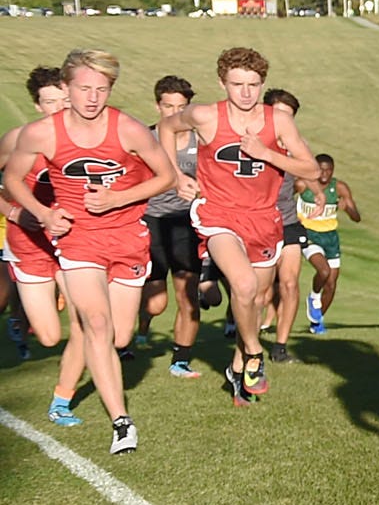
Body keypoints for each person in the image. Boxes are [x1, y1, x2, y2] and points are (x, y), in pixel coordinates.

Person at [2, 49, 177, 454]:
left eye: (102, 89)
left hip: (127, 237)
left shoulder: (128, 129)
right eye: (84, 88)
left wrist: (119, 198)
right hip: (78, 239)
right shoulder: (41, 134)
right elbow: (11, 179)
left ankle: (100, 381)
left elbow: (167, 176)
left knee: (119, 334)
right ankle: (121, 422)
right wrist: (43, 213)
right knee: (96, 323)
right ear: (66, 88)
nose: (92, 98)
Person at [164, 47, 321, 405]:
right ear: (223, 83)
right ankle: (254, 352)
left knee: (254, 299)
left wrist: (267, 153)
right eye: (237, 84)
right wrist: (175, 176)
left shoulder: (278, 121)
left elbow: (311, 169)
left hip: (264, 218)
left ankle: (239, 368)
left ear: (262, 83)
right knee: (244, 284)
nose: (246, 92)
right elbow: (167, 127)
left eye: (253, 84)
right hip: (218, 214)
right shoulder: (205, 115)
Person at [4, 65, 92, 419]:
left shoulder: (87, 138)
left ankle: (61, 400)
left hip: (73, 243)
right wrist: (14, 213)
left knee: (85, 322)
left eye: (64, 100)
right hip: (28, 242)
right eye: (50, 102)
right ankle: (24, 314)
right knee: (49, 337)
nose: (59, 107)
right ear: (37, 106)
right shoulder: (18, 139)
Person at [138, 74, 207, 375]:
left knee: (188, 294)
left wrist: (201, 191)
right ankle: (141, 325)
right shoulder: (144, 139)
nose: (174, 113)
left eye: (181, 107)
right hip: (150, 220)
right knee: (156, 303)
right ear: (158, 106)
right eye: (168, 106)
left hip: (187, 223)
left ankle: (180, 360)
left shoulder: (201, 141)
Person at [264, 88, 311, 362]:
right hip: (256, 222)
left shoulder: (296, 144)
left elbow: (310, 170)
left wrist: (317, 193)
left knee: (290, 284)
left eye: (289, 116)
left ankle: (280, 347)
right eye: (278, 114)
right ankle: (247, 344)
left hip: (288, 221)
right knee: (259, 293)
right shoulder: (249, 142)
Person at [295, 152, 359, 332]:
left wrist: (347, 209)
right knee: (323, 271)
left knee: (331, 284)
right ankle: (314, 297)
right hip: (309, 235)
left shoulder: (339, 188)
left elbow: (357, 217)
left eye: (328, 170)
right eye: (321, 169)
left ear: (333, 170)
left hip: (330, 238)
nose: (324, 173)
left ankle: (316, 323)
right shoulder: (303, 184)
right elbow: (282, 199)